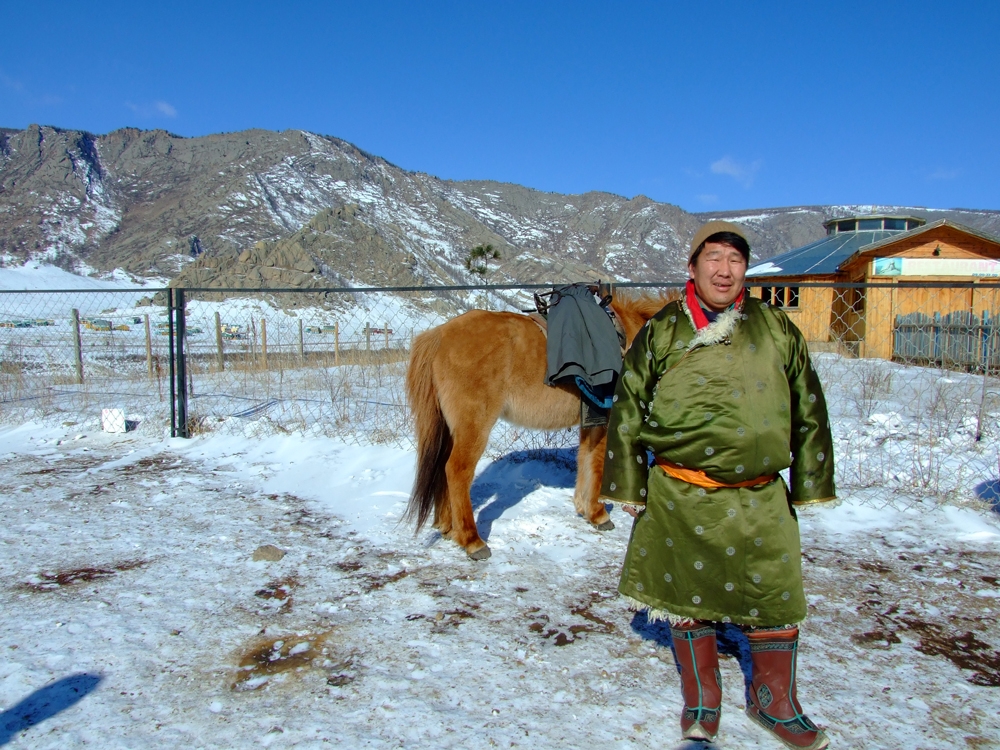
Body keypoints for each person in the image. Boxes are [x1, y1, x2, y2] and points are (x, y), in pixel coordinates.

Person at [600, 220, 835, 749]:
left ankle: (775, 701)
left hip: (761, 493)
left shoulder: (777, 328)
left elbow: (809, 404)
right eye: (714, 258)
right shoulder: (662, 331)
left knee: (775, 596)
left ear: (745, 271)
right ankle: (703, 697)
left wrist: (811, 480)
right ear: (692, 266)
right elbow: (628, 410)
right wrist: (630, 490)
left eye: (735, 259)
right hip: (681, 492)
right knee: (686, 596)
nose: (725, 269)